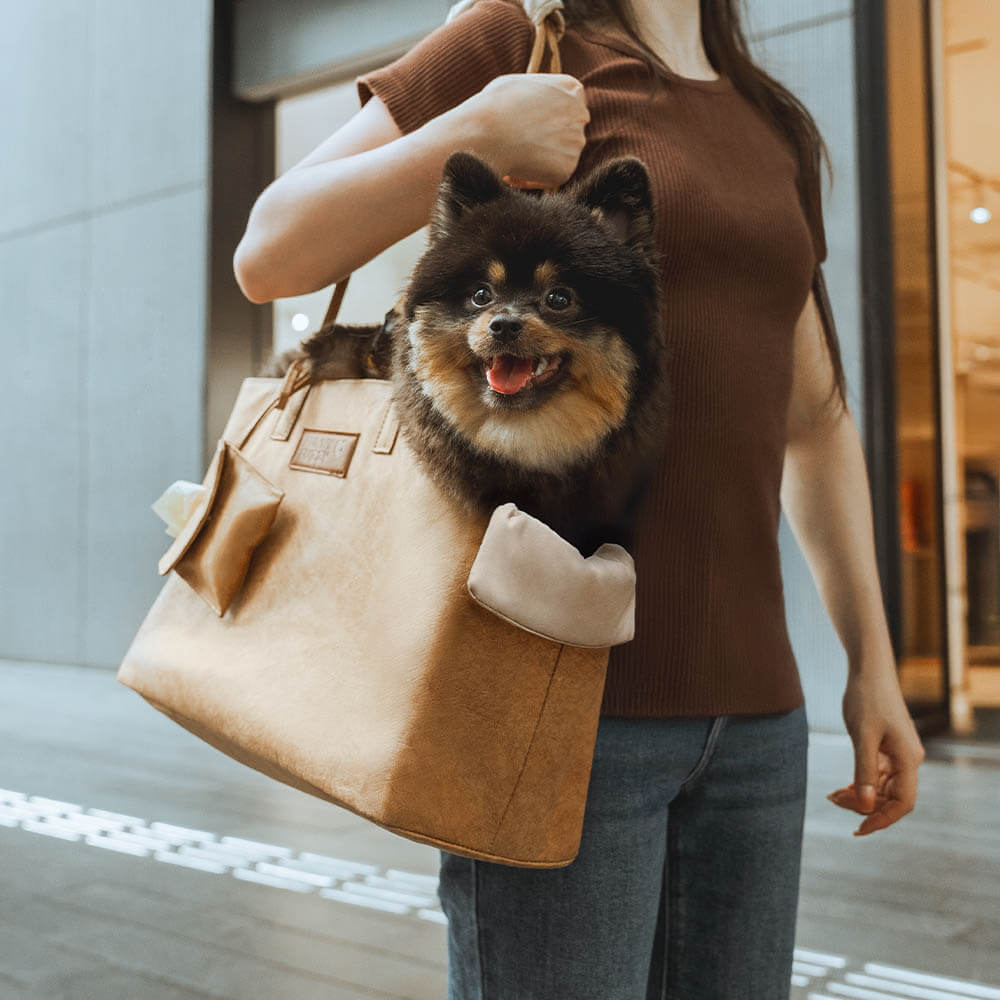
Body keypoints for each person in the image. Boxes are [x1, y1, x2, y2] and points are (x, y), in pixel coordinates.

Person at [234, 1, 927, 996]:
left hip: (758, 722)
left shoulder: (769, 119)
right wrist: (470, 134)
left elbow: (813, 419)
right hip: (550, 706)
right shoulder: (512, 36)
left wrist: (872, 666)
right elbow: (269, 250)